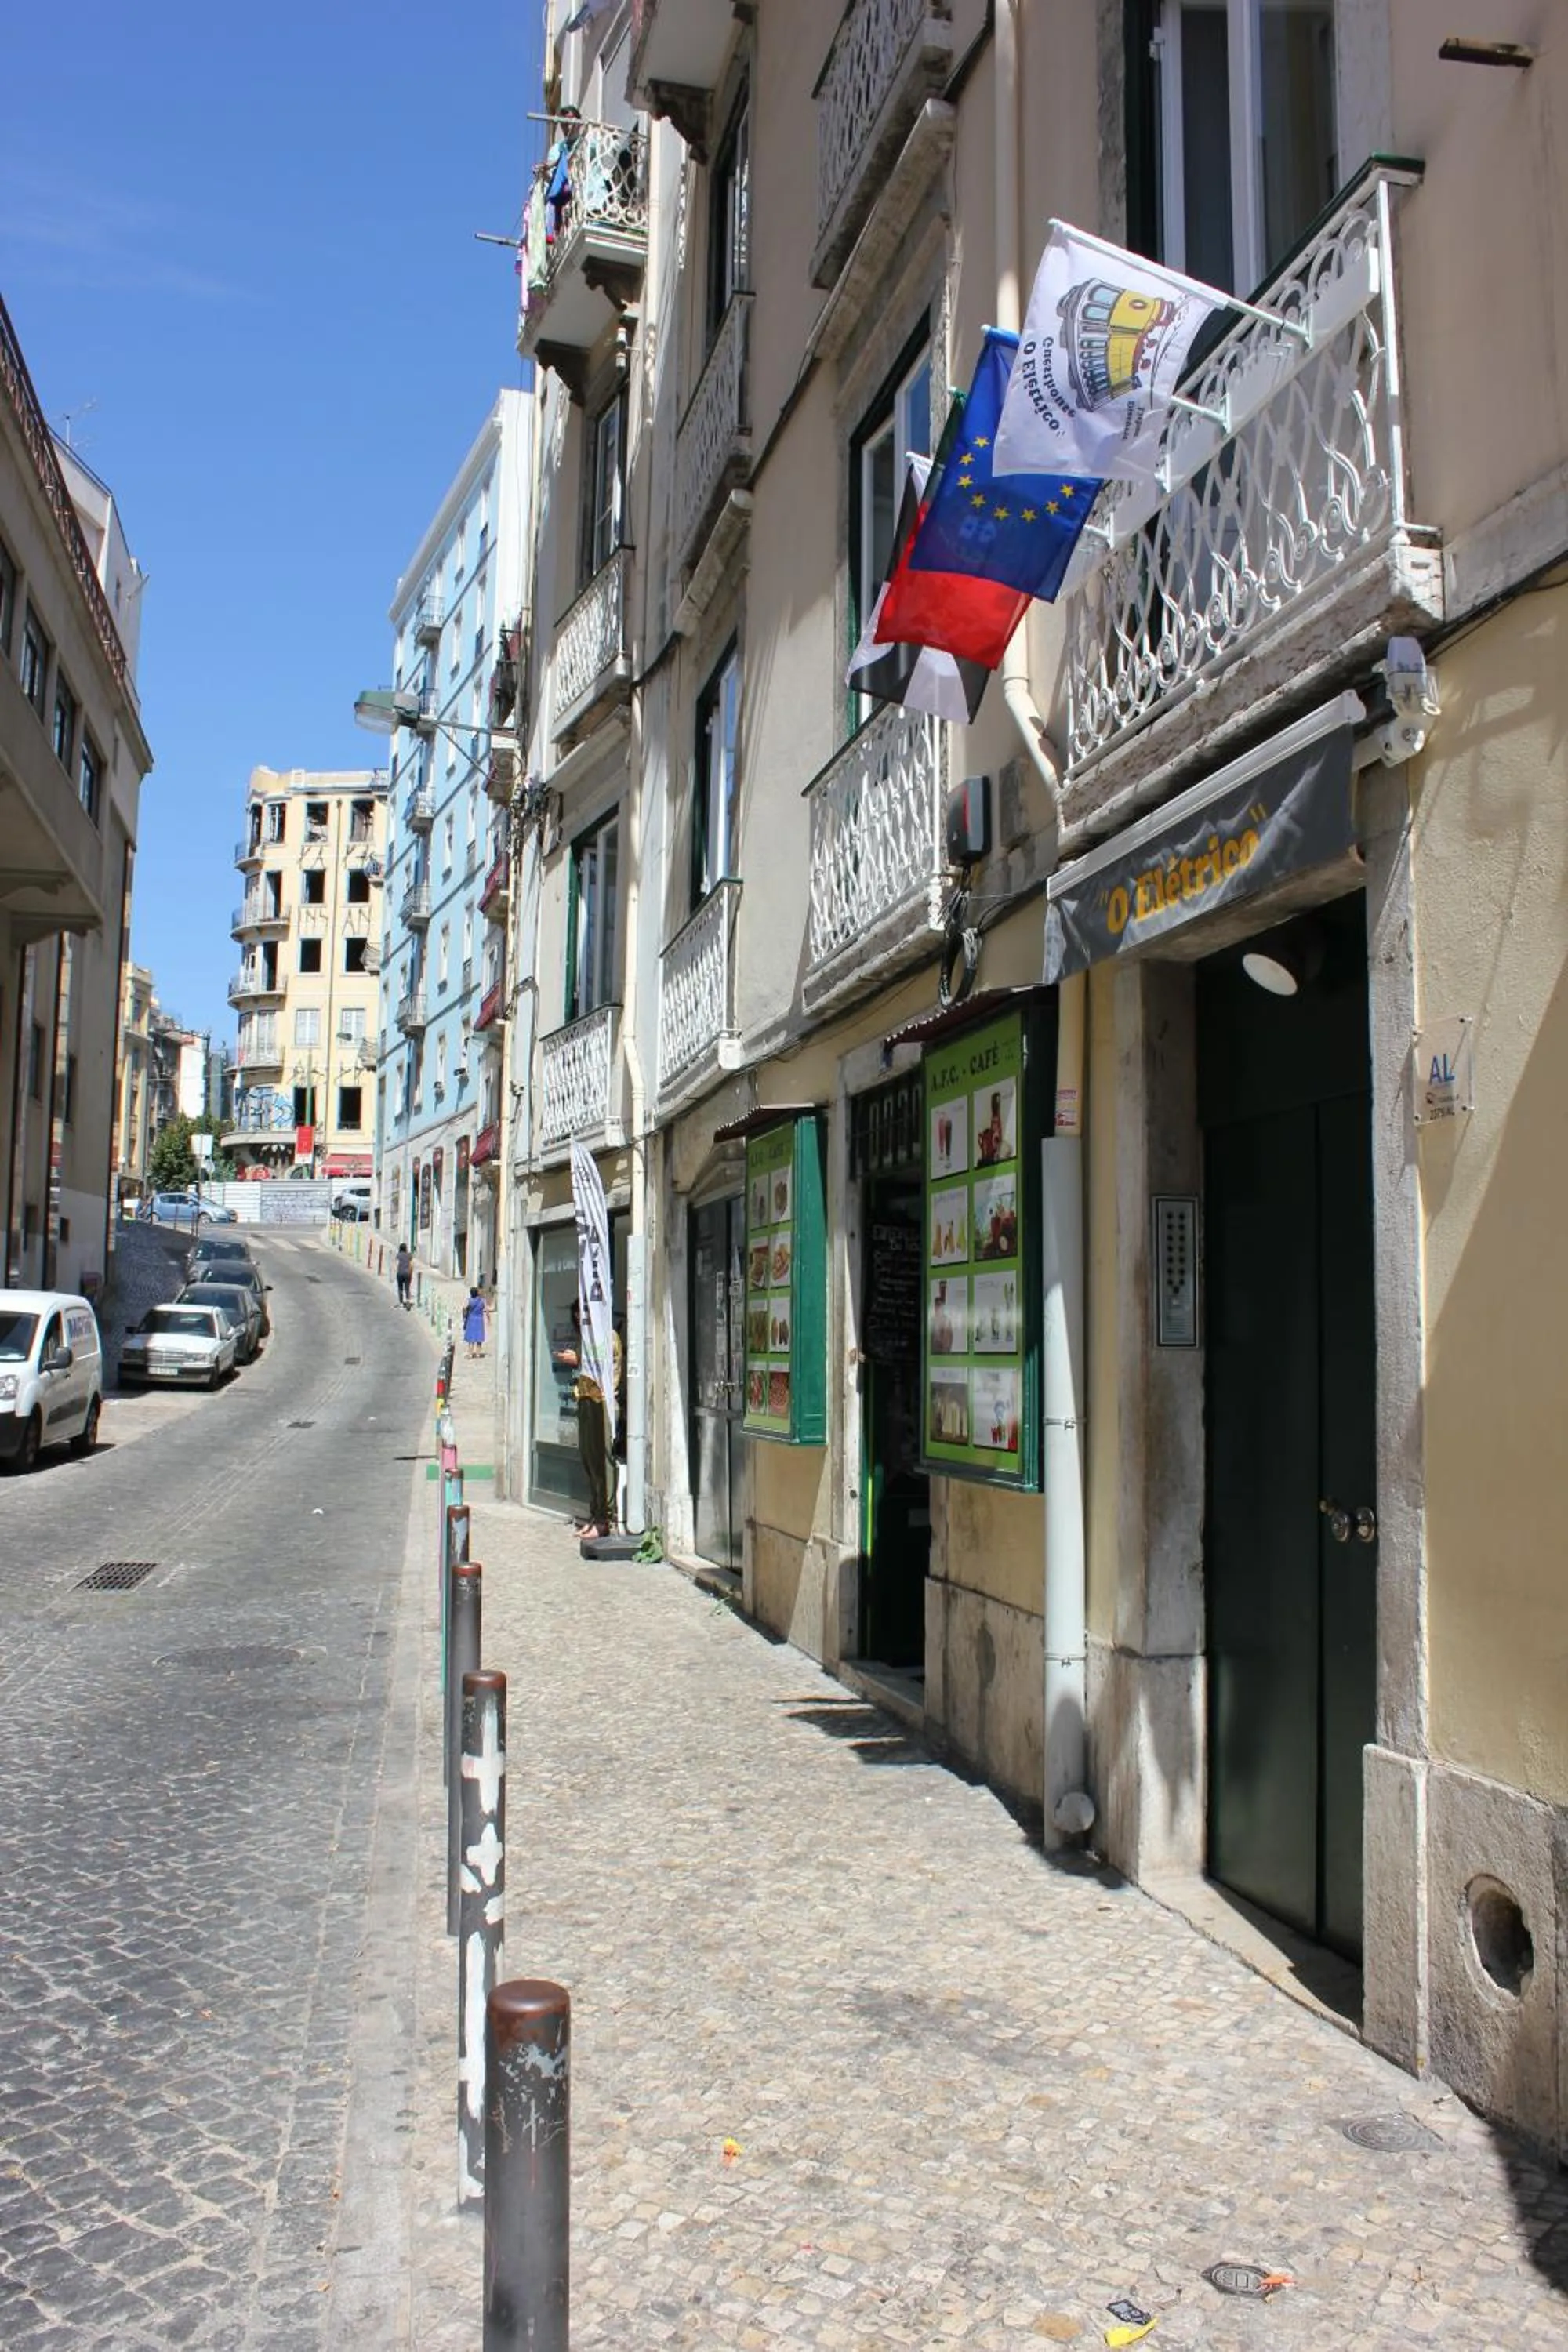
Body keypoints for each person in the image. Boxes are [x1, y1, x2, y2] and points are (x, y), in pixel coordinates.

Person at [551, 1298, 622, 1537]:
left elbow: (604, 1366)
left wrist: (579, 1359)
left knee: (603, 1461)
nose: (578, 1322)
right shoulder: (588, 1338)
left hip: (602, 1402)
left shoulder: (608, 1335)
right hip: (586, 1401)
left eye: (581, 1317)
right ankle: (596, 1513)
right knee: (590, 1461)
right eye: (575, 1318)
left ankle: (606, 1517)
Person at [462, 1284, 488, 1361]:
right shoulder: (482, 1301)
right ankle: (478, 1353)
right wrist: (489, 1320)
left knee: (471, 1337)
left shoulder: (470, 1300)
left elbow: (464, 1308)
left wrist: (464, 1317)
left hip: (471, 1319)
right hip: (479, 1319)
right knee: (479, 1336)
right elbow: (486, 1310)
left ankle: (470, 1353)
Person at [394, 1242, 412, 1312]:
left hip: (400, 1273)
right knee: (407, 1288)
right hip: (407, 1273)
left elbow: (397, 1264)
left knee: (400, 1288)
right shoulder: (409, 1256)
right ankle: (408, 1301)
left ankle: (401, 1302)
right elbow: (411, 1265)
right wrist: (410, 1273)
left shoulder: (398, 1255)